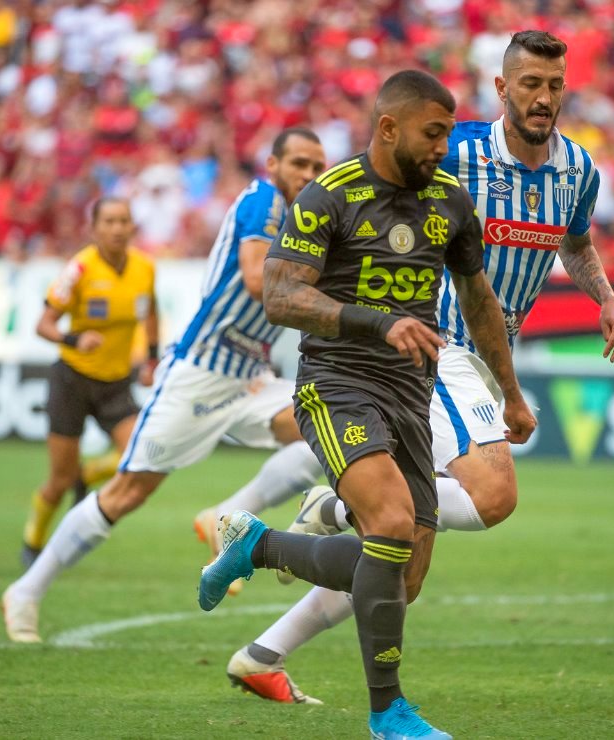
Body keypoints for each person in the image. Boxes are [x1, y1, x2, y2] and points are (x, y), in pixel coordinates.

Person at [225, 30, 614, 704]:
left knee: (403, 576)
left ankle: (261, 652)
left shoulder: (579, 172)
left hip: (489, 346)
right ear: (502, 89)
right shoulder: (455, 151)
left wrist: (608, 300)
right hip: (435, 345)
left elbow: (578, 244)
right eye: (530, 84)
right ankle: (333, 507)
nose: (543, 98)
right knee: (493, 496)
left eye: (554, 85)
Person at [197, 70, 537, 739]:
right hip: (337, 384)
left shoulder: (449, 201)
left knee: (399, 579)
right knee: (387, 525)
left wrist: (512, 394)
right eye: (432, 132)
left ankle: (260, 544)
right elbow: (282, 295)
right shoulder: (331, 195)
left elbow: (477, 299)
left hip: (412, 391)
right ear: (389, 128)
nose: (443, 146)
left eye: (447, 131)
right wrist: (375, 322)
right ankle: (388, 715)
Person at [1, 128, 328, 643]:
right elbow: (253, 279)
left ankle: (228, 513)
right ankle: (27, 590)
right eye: (299, 164)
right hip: (199, 371)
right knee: (128, 493)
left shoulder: (308, 221)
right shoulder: (263, 201)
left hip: (250, 375)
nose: (309, 176)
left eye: (317, 167)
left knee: (326, 425)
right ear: (273, 165)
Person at [17, 197, 158, 567]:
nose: (117, 228)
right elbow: (43, 325)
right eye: (109, 221)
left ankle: (89, 473)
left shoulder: (145, 268)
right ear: (94, 228)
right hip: (72, 382)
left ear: (132, 227)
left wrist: (154, 355)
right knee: (58, 480)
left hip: (115, 383)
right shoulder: (78, 269)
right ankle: (33, 541)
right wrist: (74, 339)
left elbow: (152, 312)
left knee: (141, 454)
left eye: (123, 221)